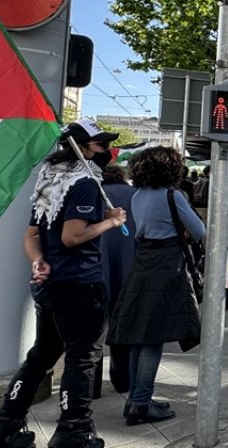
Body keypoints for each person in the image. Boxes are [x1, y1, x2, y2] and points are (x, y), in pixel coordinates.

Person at [0, 121, 127, 448]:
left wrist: (38, 260)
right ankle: (73, 431)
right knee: (82, 358)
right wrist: (111, 221)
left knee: (42, 354)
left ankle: (4, 424)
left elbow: (32, 236)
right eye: (102, 145)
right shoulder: (85, 183)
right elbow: (72, 235)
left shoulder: (48, 183)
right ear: (86, 147)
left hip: (49, 285)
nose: (107, 152)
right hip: (81, 283)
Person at [108, 146, 206, 426]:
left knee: (141, 334)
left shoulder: (138, 196)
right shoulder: (172, 195)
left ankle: (138, 397)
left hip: (142, 264)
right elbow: (199, 231)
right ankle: (141, 402)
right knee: (153, 338)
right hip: (167, 267)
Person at [98, 165, 137, 396]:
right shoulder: (134, 195)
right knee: (123, 324)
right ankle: (122, 380)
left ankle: (91, 386)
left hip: (98, 267)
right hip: (128, 266)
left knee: (93, 331)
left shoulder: (96, 193)